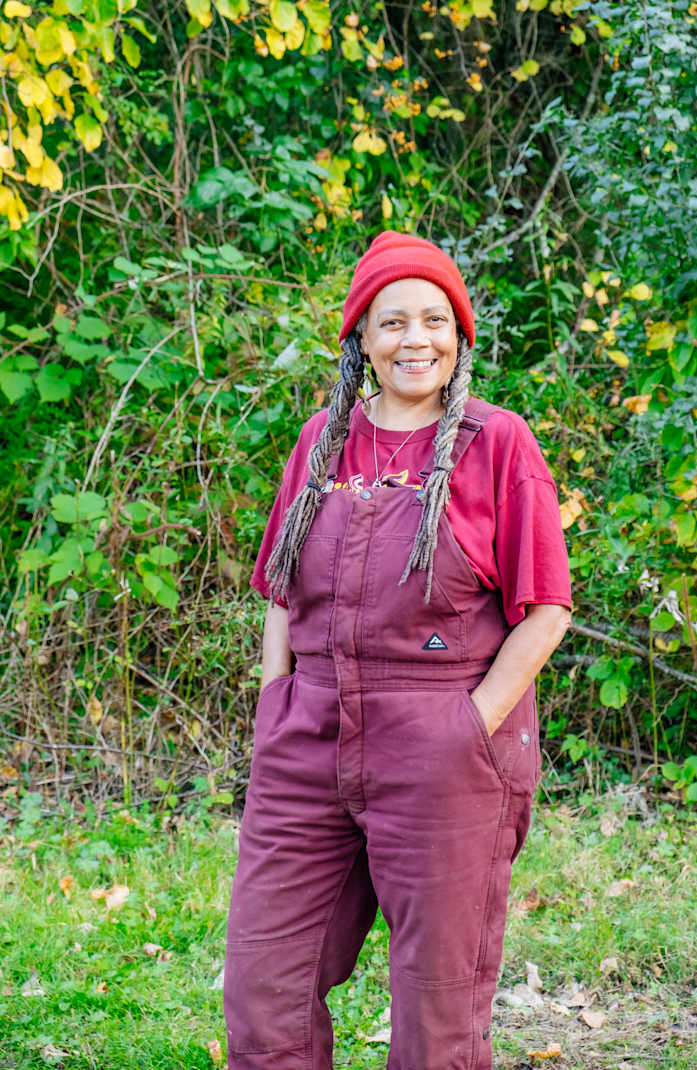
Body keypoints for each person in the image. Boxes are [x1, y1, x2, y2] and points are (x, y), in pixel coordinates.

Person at [224, 231, 572, 1070]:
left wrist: (467, 726)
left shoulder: (498, 444)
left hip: (442, 742)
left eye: (434, 320)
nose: (415, 340)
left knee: (434, 1010)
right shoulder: (322, 441)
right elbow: (280, 587)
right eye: (392, 323)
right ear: (363, 343)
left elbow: (547, 610)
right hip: (307, 736)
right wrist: (278, 702)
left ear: (458, 335)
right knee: (265, 986)